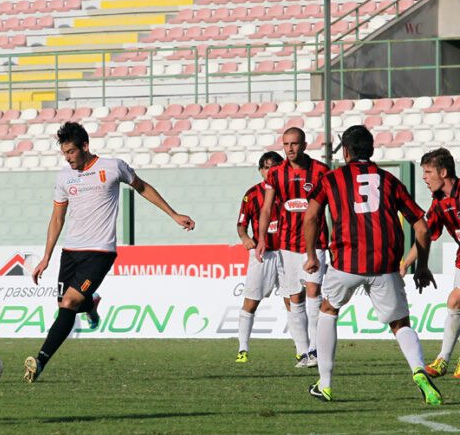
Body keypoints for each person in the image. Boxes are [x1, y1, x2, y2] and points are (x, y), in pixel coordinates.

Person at [24, 121, 195, 382]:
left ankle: (40, 360)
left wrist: (173, 214)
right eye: (64, 153)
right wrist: (46, 256)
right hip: (70, 251)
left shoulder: (113, 167)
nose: (67, 158)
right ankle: (91, 304)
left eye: (71, 151)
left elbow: (142, 187)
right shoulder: (63, 177)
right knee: (66, 306)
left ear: (85, 146)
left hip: (100, 251)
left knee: (68, 303)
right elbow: (57, 218)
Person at [302, 125, 441, 405]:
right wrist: (421, 266)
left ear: (345, 151)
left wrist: (310, 255)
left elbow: (311, 217)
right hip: (385, 265)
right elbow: (423, 228)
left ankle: (325, 384)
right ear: (372, 150)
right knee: (400, 324)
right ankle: (418, 369)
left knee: (328, 310)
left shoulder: (331, 179)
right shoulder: (389, 181)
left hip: (346, 262)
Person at [255, 127, 329, 367]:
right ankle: (303, 352)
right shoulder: (275, 173)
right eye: (286, 144)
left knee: (313, 292)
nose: (290, 148)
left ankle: (317, 350)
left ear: (304, 145)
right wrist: (262, 238)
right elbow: (266, 209)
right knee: (294, 297)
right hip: (287, 244)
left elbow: (334, 206)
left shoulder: (320, 171)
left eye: (294, 144)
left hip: (315, 243)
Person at [401, 148, 460, 379]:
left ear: (443, 172)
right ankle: (443, 362)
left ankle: (443, 360)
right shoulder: (439, 203)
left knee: (455, 300)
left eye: (428, 171)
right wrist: (405, 263)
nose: (424, 177)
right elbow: (425, 235)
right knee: (455, 304)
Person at [235, 151, 290, 362]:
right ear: (260, 171)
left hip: (287, 252)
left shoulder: (288, 192)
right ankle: (243, 349)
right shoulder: (252, 194)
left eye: (274, 167)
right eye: (266, 167)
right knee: (251, 301)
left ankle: (303, 349)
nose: (270, 171)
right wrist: (245, 238)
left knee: (292, 301)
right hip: (262, 254)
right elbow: (241, 223)